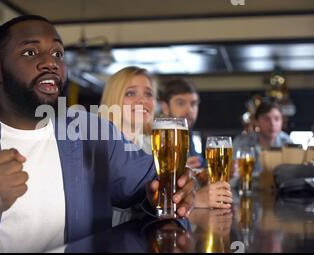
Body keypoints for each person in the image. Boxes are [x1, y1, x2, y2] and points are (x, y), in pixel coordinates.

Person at [0, 15, 195, 253]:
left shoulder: (92, 130)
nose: (50, 62)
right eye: (31, 51)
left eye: (58, 54)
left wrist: (174, 194)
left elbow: (153, 188)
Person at [158, 78, 232, 209]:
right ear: (165, 106)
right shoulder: (157, 139)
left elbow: (200, 174)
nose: (189, 110)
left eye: (193, 104)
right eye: (181, 103)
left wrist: (205, 174)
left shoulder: (190, 136)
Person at [99, 66, 156, 226]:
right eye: (131, 93)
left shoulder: (154, 145)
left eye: (148, 94)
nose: (142, 101)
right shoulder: (99, 144)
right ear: (114, 99)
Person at [233, 100, 292, 174]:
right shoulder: (242, 142)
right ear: (256, 121)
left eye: (277, 119)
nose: (272, 124)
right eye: (267, 119)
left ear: (282, 121)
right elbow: (234, 175)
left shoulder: (288, 143)